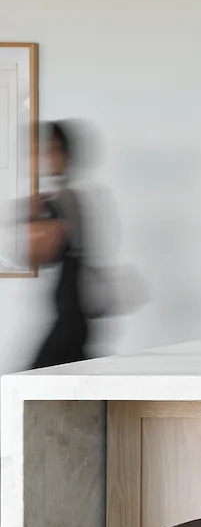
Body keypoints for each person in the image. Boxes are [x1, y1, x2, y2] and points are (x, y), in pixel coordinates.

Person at [27, 121, 92, 368]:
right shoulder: (62, 199)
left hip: (72, 316)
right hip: (71, 314)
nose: (45, 157)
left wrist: (34, 216)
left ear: (66, 154)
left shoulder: (66, 199)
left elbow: (45, 249)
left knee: (31, 381)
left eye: (52, 149)